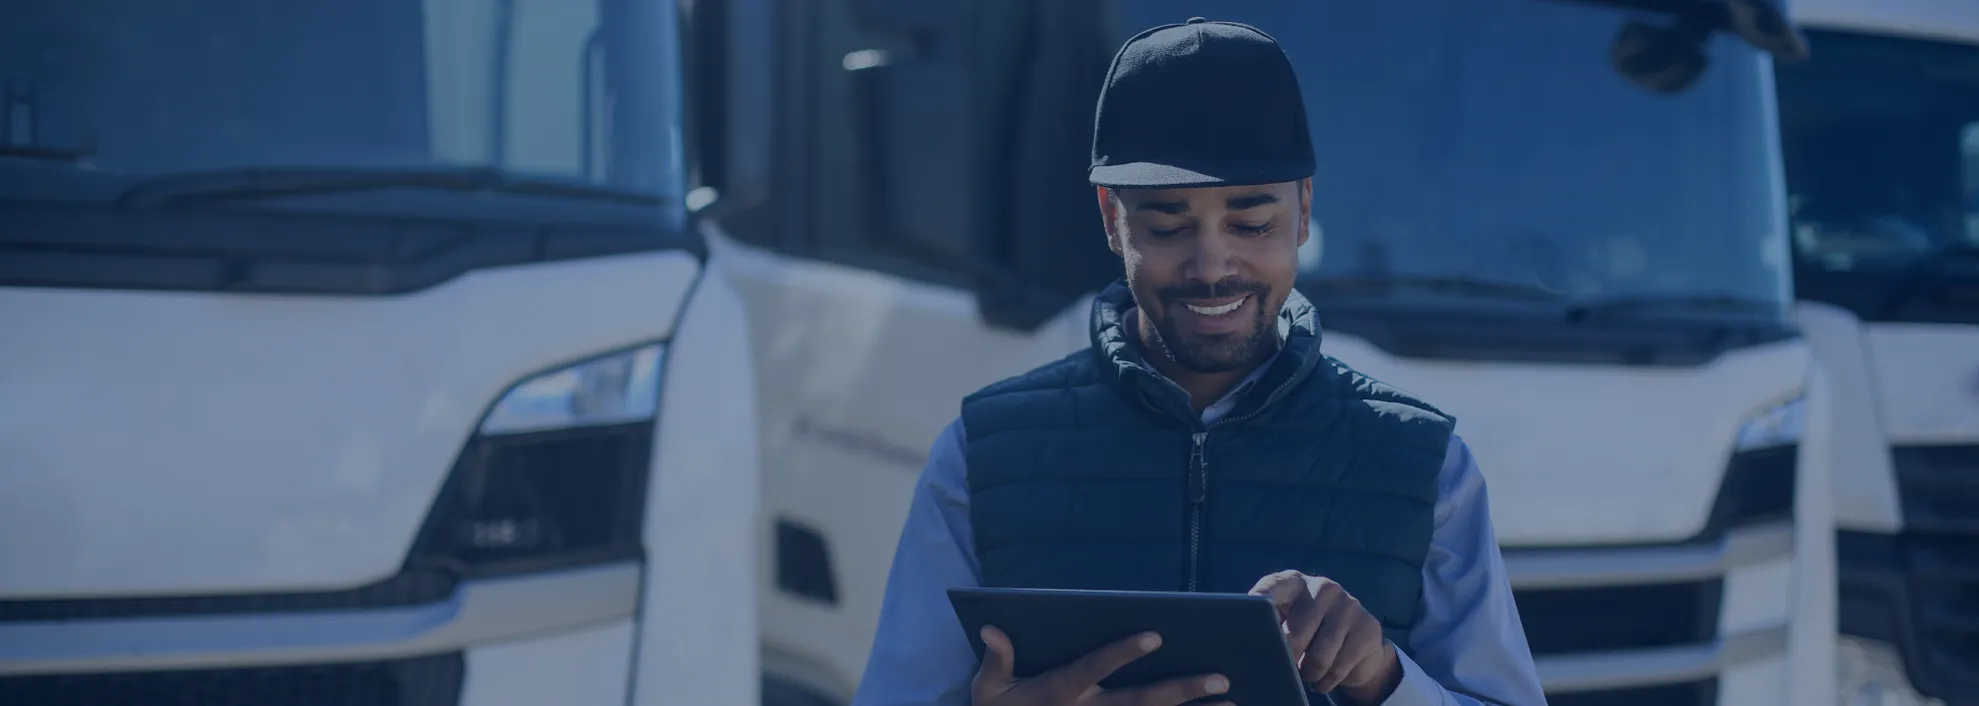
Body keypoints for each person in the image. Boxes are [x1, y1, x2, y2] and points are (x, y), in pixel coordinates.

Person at [850, 17, 1546, 706]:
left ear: (1302, 212)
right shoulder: (979, 458)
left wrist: (1381, 677)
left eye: (1251, 224)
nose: (1212, 266)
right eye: (1166, 226)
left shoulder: (1429, 465)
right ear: (1109, 218)